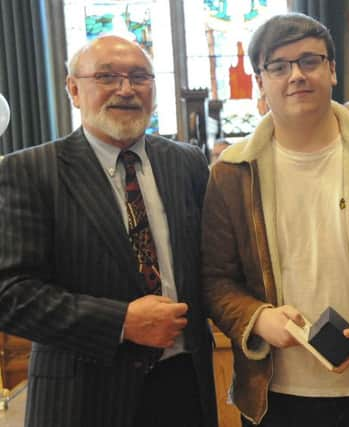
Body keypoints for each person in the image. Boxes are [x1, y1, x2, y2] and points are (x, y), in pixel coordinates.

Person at [201, 13, 349, 427]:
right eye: (279, 65)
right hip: (274, 396)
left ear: (332, 70)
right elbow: (216, 280)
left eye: (309, 60)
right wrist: (259, 318)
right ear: (261, 81)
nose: (296, 75)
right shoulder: (231, 173)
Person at [0, 35, 217, 427]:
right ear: (74, 89)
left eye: (139, 77)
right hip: (83, 395)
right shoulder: (29, 172)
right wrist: (119, 321)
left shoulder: (187, 163)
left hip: (184, 386)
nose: (125, 89)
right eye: (106, 77)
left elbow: (210, 267)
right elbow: (10, 294)